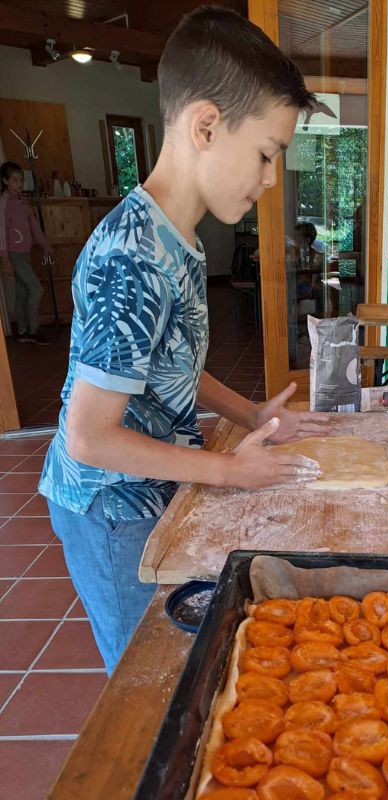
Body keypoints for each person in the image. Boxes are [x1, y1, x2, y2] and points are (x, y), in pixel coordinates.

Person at [38, 7, 328, 675]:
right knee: (148, 680)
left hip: (153, 485)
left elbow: (168, 363)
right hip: (111, 509)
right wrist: (230, 471)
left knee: (183, 661)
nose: (269, 179)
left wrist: (250, 416)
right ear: (205, 126)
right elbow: (89, 436)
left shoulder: (182, 241)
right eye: (265, 154)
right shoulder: (131, 254)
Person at [0, 161, 52, 345]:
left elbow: (34, 227)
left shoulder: (23, 203)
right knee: (36, 289)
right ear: (5, 181)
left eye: (21, 180)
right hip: (13, 254)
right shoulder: (4, 203)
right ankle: (33, 330)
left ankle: (22, 330)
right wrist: (4, 257)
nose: (19, 184)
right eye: (14, 180)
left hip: (25, 253)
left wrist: (46, 246)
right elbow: (2, 232)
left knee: (23, 292)